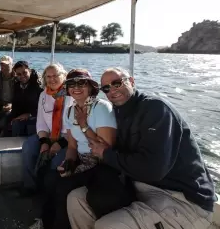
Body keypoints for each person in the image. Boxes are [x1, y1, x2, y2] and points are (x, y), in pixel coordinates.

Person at [67, 67, 217, 229]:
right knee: (76, 200)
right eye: (106, 88)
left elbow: (153, 170)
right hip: (139, 187)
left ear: (131, 81)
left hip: (181, 198)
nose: (112, 90)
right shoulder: (117, 113)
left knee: (107, 225)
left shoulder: (156, 110)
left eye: (117, 83)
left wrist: (106, 153)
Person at [32, 68, 117, 229]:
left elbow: (105, 148)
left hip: (101, 164)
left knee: (64, 187)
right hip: (81, 159)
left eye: (81, 83)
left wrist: (84, 125)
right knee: (51, 178)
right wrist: (69, 162)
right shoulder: (71, 111)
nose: (76, 87)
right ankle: (45, 222)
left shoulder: (102, 107)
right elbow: (72, 145)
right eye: (71, 83)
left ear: (91, 87)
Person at [21, 63, 72, 195]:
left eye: (55, 75)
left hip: (68, 138)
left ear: (64, 76)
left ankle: (48, 192)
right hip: (48, 134)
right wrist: (44, 141)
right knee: (28, 147)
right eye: (48, 76)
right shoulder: (44, 95)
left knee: (55, 161)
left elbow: (74, 127)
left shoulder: (72, 94)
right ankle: (30, 186)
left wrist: (60, 143)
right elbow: (41, 121)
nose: (52, 79)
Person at [9, 61, 43, 137]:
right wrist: (13, 117)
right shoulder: (16, 85)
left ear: (29, 71)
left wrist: (29, 114)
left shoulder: (39, 86)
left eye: (25, 73)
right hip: (21, 114)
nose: (22, 76)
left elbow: (44, 107)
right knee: (10, 121)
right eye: (19, 74)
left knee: (27, 125)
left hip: (37, 115)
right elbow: (15, 103)